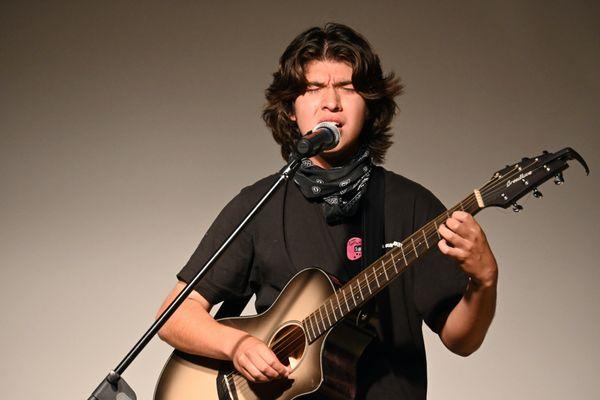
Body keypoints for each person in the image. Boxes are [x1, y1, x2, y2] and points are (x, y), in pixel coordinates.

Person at [157, 23, 498, 399]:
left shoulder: (411, 206)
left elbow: (461, 340)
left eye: (348, 88)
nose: (331, 102)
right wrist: (237, 347)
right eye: (313, 88)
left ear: (369, 106)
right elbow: (175, 315)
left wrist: (484, 282)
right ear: (290, 108)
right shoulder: (261, 203)